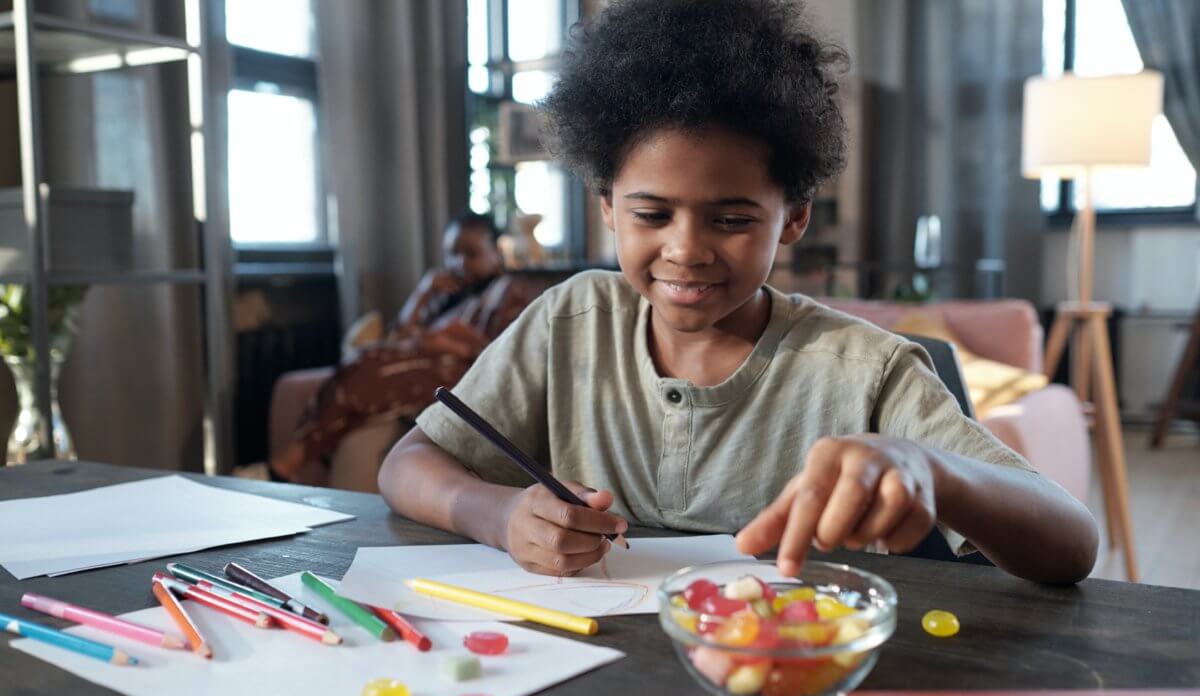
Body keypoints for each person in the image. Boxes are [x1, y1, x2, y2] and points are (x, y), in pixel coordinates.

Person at [378, 0, 1098, 583]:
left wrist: (931, 467)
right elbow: (407, 465)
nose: (686, 249)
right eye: (651, 214)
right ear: (606, 207)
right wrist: (496, 514)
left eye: (730, 219)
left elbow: (1073, 543)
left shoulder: (864, 370)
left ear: (795, 216)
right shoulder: (569, 321)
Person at [271, 212, 544, 481]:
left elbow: (503, 353)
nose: (460, 262)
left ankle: (283, 466)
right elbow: (398, 336)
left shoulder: (511, 292)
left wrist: (442, 343)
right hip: (422, 362)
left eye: (471, 254)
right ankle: (289, 464)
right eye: (452, 253)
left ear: (495, 252)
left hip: (462, 376)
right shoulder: (445, 294)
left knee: (366, 366)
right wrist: (422, 293)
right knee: (364, 359)